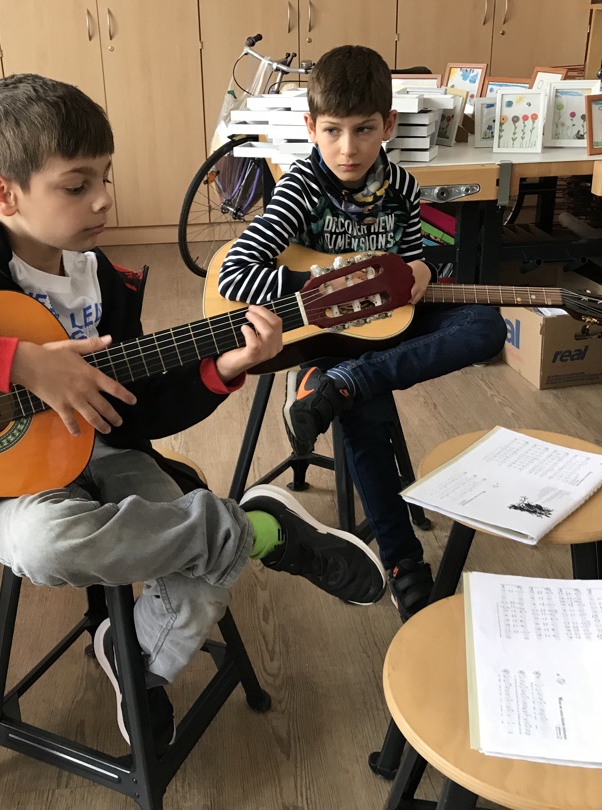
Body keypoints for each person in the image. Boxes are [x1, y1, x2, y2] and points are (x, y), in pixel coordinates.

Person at [0, 74, 386, 755]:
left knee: (192, 551)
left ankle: (135, 664)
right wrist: (21, 363)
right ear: (3, 193)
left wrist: (226, 367)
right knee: (51, 546)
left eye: (106, 177)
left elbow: (135, 415)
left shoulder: (105, 282)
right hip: (7, 485)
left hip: (109, 455)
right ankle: (258, 530)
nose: (102, 199)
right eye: (75, 185)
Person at [218, 46, 507, 621]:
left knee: (487, 323)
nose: (347, 148)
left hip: (376, 337)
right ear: (311, 128)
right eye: (332, 131)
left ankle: (346, 383)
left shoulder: (399, 184)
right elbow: (235, 272)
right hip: (323, 337)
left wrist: (423, 268)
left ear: (389, 126)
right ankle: (405, 566)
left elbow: (411, 258)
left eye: (364, 130)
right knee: (366, 416)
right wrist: (328, 284)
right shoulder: (303, 186)